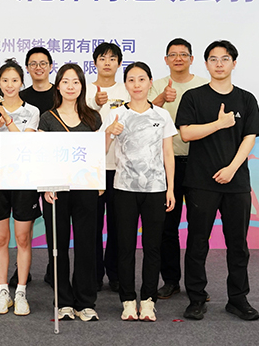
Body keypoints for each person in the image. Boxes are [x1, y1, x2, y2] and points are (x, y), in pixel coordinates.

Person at [176, 40, 259, 321]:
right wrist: (218, 123)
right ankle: (196, 298)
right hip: (200, 181)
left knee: (238, 244)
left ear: (234, 63)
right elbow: (186, 134)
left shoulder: (246, 99)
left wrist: (232, 169)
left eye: (225, 59)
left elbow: (250, 137)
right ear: (205, 64)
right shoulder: (193, 97)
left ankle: (238, 299)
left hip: (236, 182)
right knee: (197, 243)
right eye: (213, 59)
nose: (219, 64)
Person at [104, 62, 176, 321]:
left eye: (141, 79)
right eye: (131, 80)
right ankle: (127, 300)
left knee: (152, 246)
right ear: (125, 84)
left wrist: (170, 188)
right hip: (124, 188)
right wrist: (109, 133)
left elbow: (168, 153)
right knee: (125, 246)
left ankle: (148, 300)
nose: (136, 84)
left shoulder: (162, 115)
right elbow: (101, 151)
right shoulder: (116, 114)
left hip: (156, 189)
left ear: (150, 82)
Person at [147, 38, 208, 299]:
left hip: (198, 164)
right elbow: (141, 116)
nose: (178, 59)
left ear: (192, 59)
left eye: (183, 54)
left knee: (198, 228)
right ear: (166, 59)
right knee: (167, 227)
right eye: (173, 55)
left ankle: (197, 285)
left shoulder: (205, 86)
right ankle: (170, 280)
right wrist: (161, 98)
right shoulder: (155, 86)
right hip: (164, 165)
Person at [0, 59, 41, 316]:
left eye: (14, 80)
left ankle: (21, 292)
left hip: (24, 180)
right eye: (5, 80)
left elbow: (25, 146)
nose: (10, 85)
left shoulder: (32, 111)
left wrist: (7, 120)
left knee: (23, 238)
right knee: (1, 238)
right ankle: (3, 291)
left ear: (21, 83)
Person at [41, 64, 102, 322]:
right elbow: (42, 155)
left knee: (86, 245)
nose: (70, 86)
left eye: (76, 82)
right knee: (58, 247)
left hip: (86, 188)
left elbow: (97, 152)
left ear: (82, 86)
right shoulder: (47, 118)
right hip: (56, 190)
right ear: (58, 86)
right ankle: (63, 301)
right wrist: (45, 185)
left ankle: (85, 302)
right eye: (66, 81)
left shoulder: (93, 117)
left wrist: (99, 180)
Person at [85, 42, 129, 292]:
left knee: (118, 224)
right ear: (95, 63)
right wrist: (94, 103)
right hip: (92, 167)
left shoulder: (127, 89)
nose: (107, 63)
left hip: (120, 167)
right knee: (92, 224)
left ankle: (115, 273)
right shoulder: (84, 89)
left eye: (113, 58)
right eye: (102, 58)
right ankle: (93, 273)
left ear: (119, 63)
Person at [18, 46, 56, 287]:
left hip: (54, 164)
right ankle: (22, 269)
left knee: (53, 220)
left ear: (51, 66)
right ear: (27, 68)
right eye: (33, 63)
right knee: (25, 220)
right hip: (27, 165)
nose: (38, 67)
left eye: (43, 63)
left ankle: (54, 269)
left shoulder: (61, 93)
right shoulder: (21, 96)